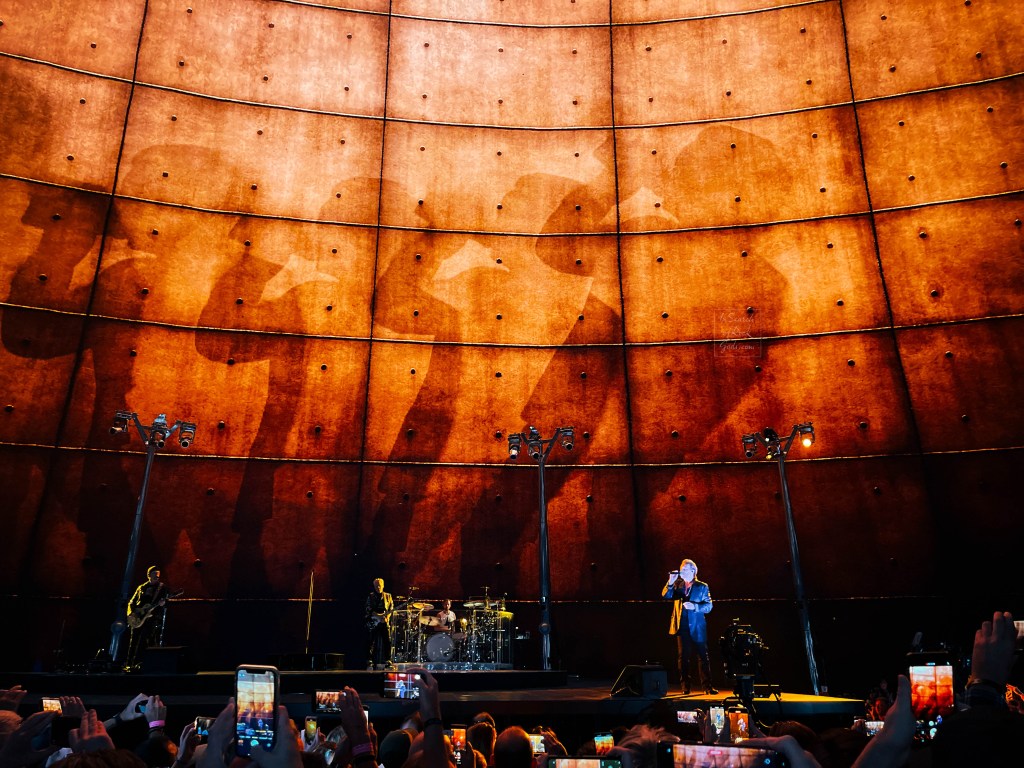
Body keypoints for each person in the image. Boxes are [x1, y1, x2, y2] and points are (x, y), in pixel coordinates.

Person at [661, 559, 717, 695]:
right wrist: (670, 581)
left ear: (693, 571)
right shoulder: (677, 584)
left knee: (703, 656)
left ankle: (707, 686)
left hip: (697, 626)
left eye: (685, 569)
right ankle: (685, 686)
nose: (682, 571)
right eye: (681, 569)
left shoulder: (702, 586)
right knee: (683, 657)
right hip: (682, 625)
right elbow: (665, 595)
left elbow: (709, 606)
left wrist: (695, 606)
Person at [126, 568, 171, 672]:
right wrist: (131, 614)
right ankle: (130, 664)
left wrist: (163, 604)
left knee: (149, 640)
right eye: (155, 574)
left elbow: (167, 602)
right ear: (149, 575)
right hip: (138, 617)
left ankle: (148, 665)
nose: (157, 576)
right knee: (134, 641)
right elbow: (131, 602)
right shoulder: (141, 587)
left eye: (158, 575)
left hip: (152, 618)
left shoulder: (162, 588)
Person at [364, 578, 394, 670]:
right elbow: (368, 609)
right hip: (374, 621)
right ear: (374, 586)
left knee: (387, 641)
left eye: (380, 585)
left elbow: (391, 609)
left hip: (384, 622)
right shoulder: (371, 596)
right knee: (371, 642)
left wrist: (386, 618)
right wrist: (378, 616)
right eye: (376, 585)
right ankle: (369, 661)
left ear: (383, 585)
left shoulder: (388, 596)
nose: (378, 587)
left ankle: (388, 660)